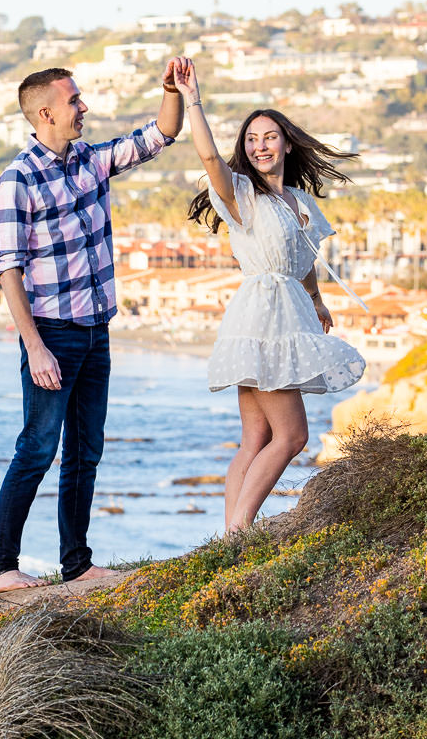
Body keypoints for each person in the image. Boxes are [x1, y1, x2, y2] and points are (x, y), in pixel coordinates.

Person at [0, 63, 187, 593]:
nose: (84, 107)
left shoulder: (92, 162)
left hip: (97, 330)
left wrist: (171, 93)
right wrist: (35, 348)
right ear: (46, 112)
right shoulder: (17, 180)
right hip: (51, 334)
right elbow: (9, 270)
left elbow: (161, 135)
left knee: (85, 450)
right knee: (37, 447)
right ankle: (0, 568)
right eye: (75, 100)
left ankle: (76, 561)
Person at [172, 58, 366, 533]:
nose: (260, 146)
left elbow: (305, 259)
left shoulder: (299, 202)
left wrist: (318, 300)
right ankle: (239, 532)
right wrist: (192, 100)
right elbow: (208, 158)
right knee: (294, 434)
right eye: (251, 139)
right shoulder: (242, 195)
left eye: (269, 137)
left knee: (256, 435)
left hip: (288, 312)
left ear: (285, 142)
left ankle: (227, 537)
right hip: (263, 316)